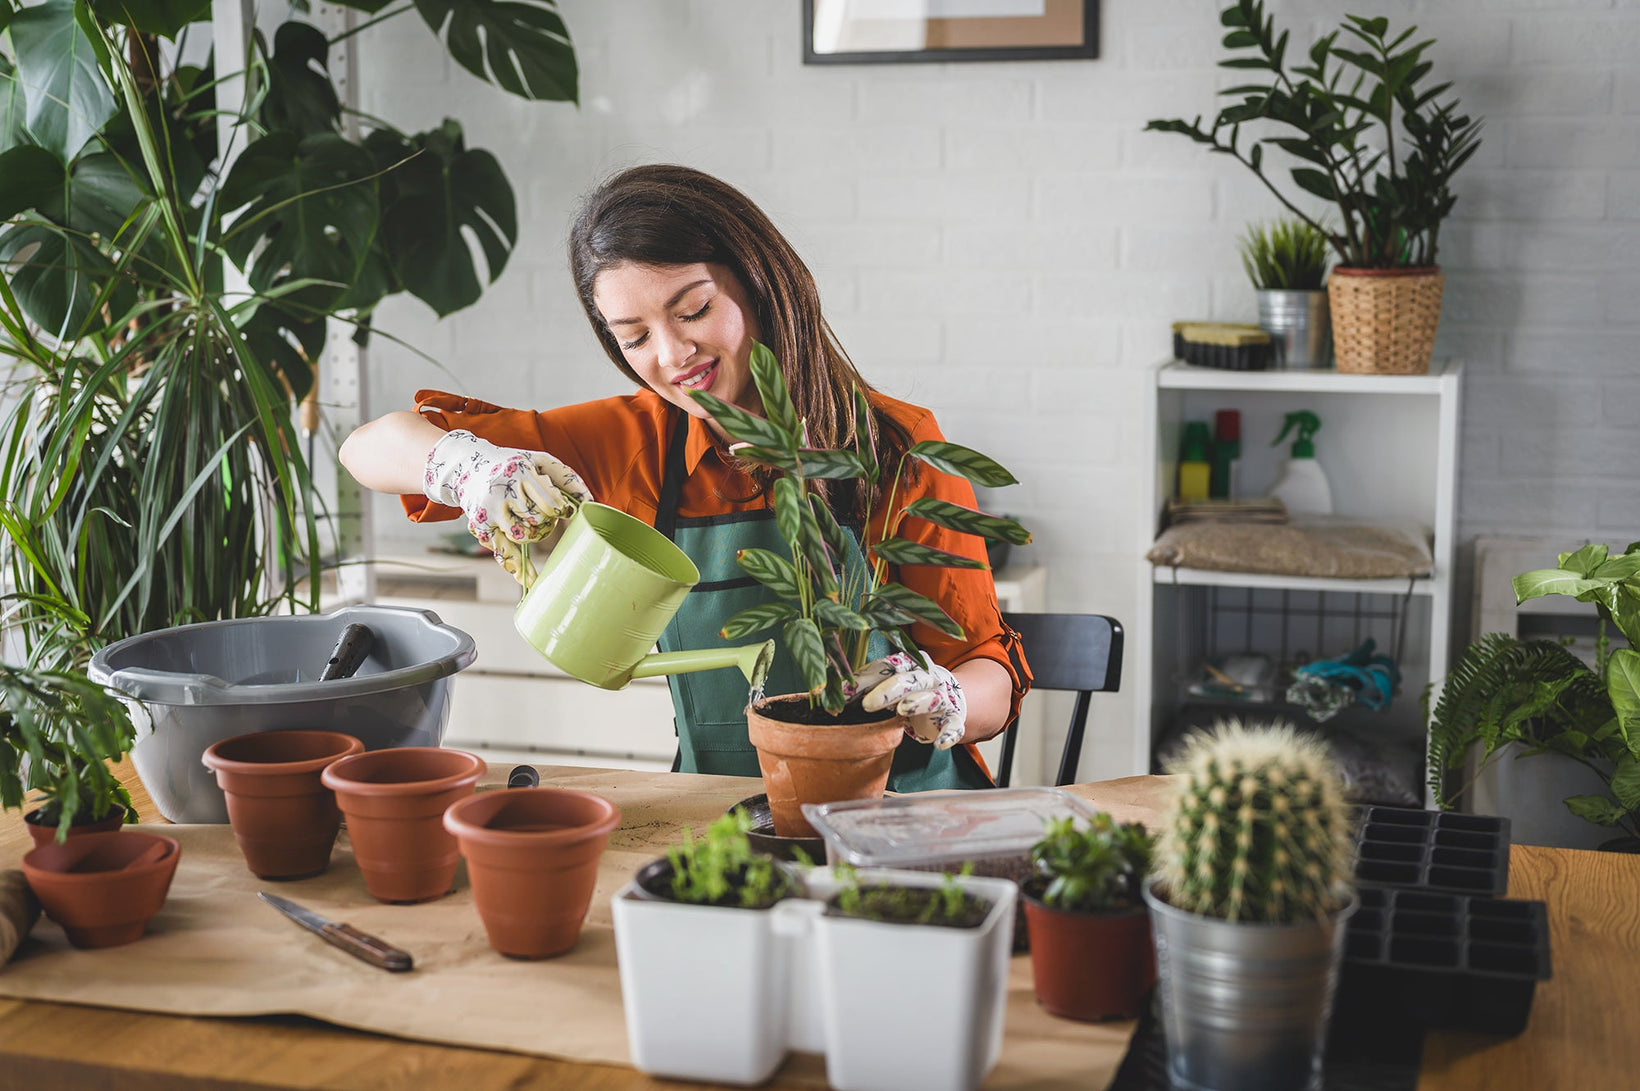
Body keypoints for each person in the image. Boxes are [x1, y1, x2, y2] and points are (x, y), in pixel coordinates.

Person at [339, 164, 1030, 791]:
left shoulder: (893, 446)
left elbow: (987, 675)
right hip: (722, 816)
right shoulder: (633, 442)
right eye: (634, 337)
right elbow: (368, 447)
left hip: (907, 814)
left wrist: (950, 700)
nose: (672, 355)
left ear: (759, 281)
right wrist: (463, 465)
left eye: (693, 309)